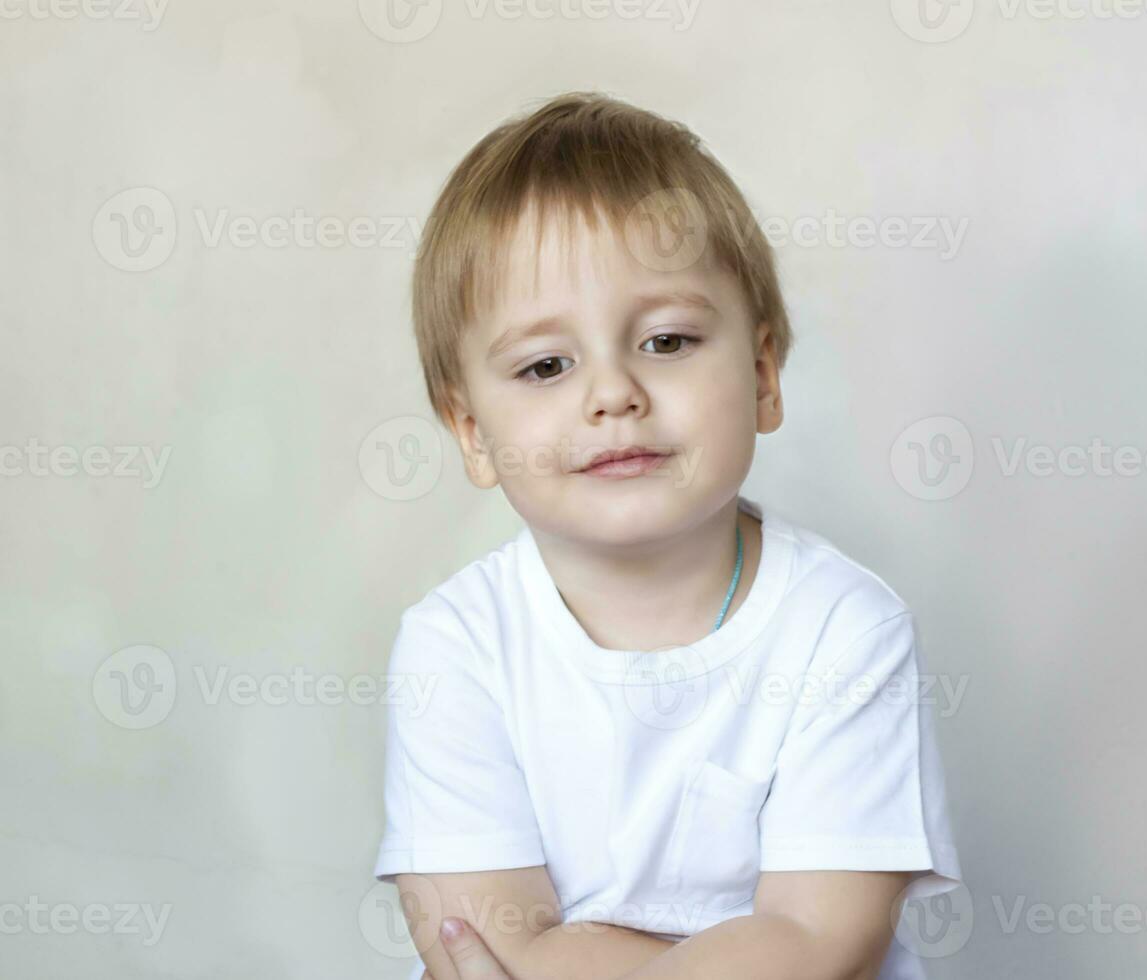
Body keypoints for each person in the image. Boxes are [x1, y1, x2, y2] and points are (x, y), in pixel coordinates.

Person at [373, 91, 963, 980]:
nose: (612, 393)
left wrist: (577, 952)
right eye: (546, 365)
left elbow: (817, 946)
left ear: (764, 376)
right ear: (470, 433)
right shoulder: (456, 647)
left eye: (668, 341)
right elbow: (483, 948)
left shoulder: (845, 631)